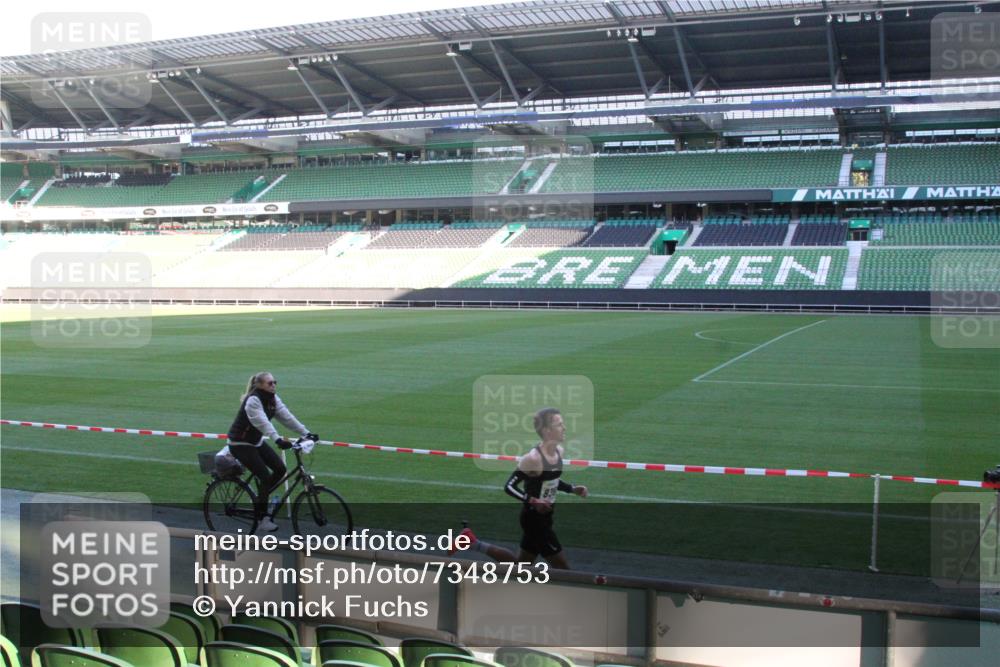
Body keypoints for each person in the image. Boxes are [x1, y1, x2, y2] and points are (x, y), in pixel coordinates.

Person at [454, 407, 588, 569]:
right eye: (559, 424)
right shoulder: (532, 459)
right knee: (564, 570)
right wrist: (533, 501)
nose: (564, 428)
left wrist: (572, 489)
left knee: (520, 565)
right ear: (546, 430)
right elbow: (509, 486)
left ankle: (472, 542)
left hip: (546, 516)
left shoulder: (559, 451)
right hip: (534, 520)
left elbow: (551, 481)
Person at [222, 371, 317, 532]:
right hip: (240, 443)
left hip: (255, 442)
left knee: (280, 469)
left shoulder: (273, 398)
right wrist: (277, 439)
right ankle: (262, 518)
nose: (273, 385)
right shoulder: (253, 400)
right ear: (259, 385)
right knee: (265, 477)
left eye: (275, 382)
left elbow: (286, 416)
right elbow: (262, 422)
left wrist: (305, 433)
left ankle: (261, 498)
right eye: (269, 383)